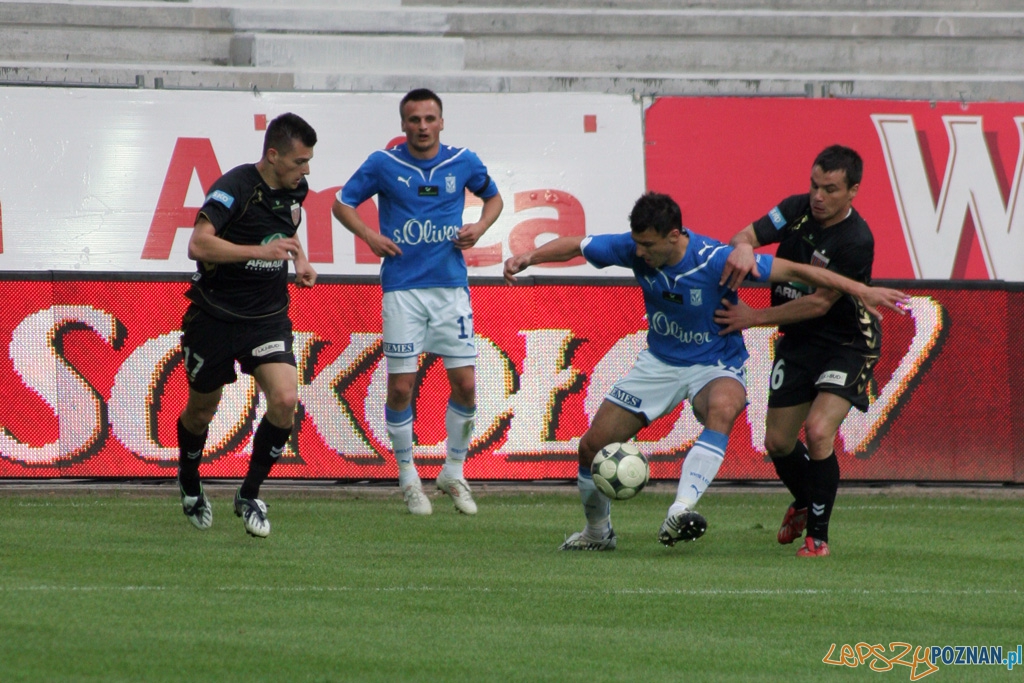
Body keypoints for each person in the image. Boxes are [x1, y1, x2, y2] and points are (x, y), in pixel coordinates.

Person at [503, 192, 906, 551]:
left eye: (649, 245)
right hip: (658, 363)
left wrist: (862, 290)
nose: (640, 253)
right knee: (591, 448)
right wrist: (528, 257)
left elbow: (801, 273)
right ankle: (597, 532)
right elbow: (577, 244)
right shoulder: (632, 248)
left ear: (675, 235)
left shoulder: (715, 261)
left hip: (715, 364)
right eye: (637, 243)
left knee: (725, 407)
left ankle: (680, 510)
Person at [332, 88, 504, 516]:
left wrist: (479, 228)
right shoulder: (384, 164)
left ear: (442, 122)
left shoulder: (462, 161)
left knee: (465, 383)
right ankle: (408, 476)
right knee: (401, 387)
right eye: (414, 120)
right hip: (403, 290)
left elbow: (494, 198)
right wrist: (370, 236)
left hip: (450, 288)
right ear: (403, 125)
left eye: (430, 119)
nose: (422, 127)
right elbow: (341, 203)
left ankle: (453, 470)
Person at [716, 144, 879, 557]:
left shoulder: (856, 240)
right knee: (778, 443)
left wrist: (754, 318)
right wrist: (743, 247)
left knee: (820, 431)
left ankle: (817, 538)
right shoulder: (795, 209)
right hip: (800, 341)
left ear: (853, 191)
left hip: (846, 344)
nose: (818, 196)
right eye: (814, 185)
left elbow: (819, 303)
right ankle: (807, 500)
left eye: (830, 189)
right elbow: (746, 236)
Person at [176, 112, 318, 539]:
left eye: (309, 161)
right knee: (201, 412)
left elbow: (287, 229)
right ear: (273, 156)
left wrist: (300, 258)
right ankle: (188, 478)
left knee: (285, 398)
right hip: (215, 316)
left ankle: (250, 493)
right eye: (299, 162)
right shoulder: (234, 187)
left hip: (266, 317)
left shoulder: (296, 192)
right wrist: (256, 250)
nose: (306, 170)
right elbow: (197, 244)